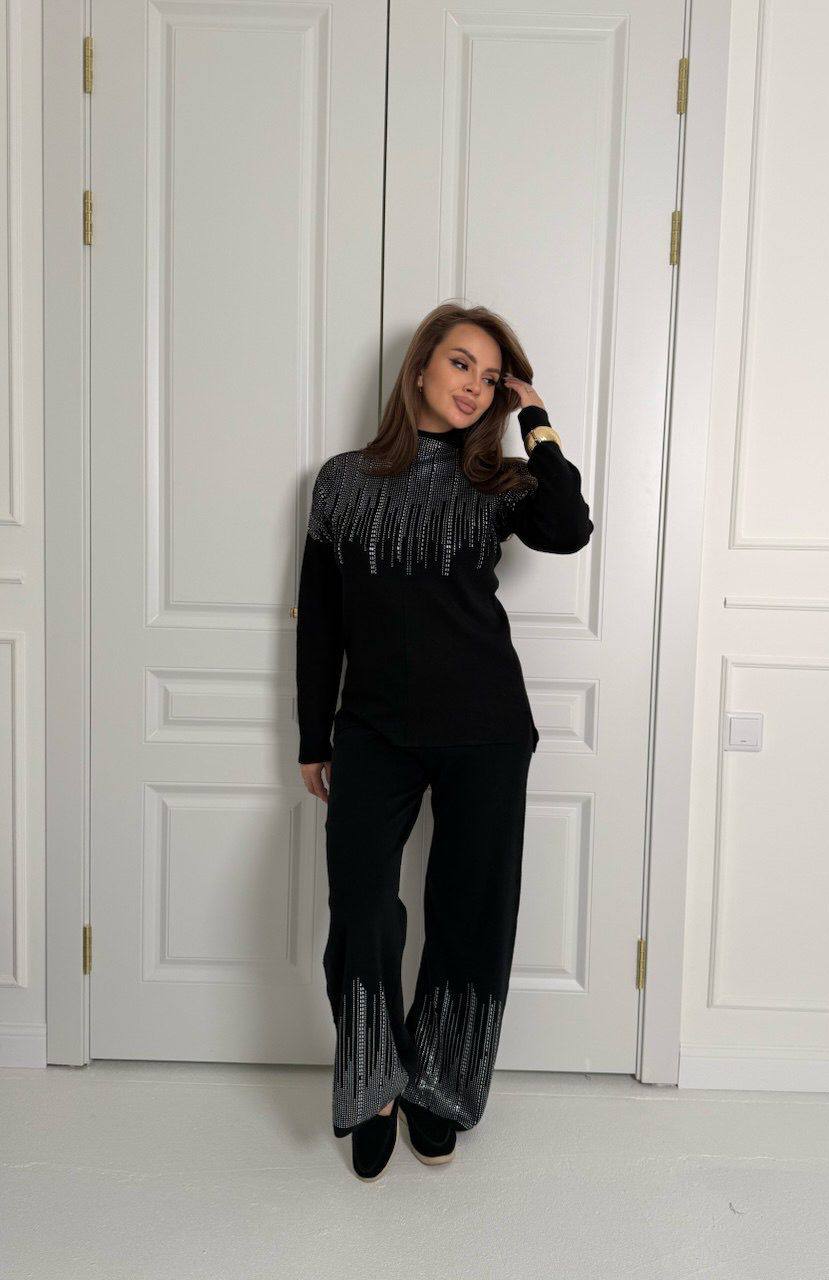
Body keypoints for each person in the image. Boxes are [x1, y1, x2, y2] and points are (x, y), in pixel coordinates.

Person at [295, 302, 593, 1180]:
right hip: (374, 730)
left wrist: (536, 420)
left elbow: (569, 528)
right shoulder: (342, 482)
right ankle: (374, 1084)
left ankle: (439, 1089)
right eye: (462, 363)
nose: (474, 386)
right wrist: (314, 736)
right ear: (421, 364)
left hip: (485, 730)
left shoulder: (497, 483)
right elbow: (321, 620)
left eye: (491, 378)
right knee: (363, 909)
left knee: (470, 915)